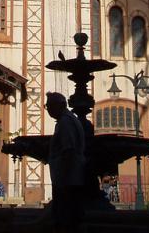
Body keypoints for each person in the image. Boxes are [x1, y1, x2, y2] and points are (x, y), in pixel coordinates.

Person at [45, 91, 86, 232]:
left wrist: (63, 178)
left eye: (50, 106)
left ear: (61, 105)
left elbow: (68, 151)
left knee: (64, 220)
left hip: (67, 181)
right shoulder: (70, 120)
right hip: (71, 179)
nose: (48, 109)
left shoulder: (65, 123)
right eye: (47, 106)